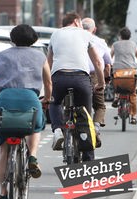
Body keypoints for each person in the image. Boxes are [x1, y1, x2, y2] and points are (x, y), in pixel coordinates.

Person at [0, 24, 52, 199]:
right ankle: (33, 156)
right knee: (36, 126)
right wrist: (47, 100)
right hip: (30, 99)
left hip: (5, 98)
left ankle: (3, 192)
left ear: (13, 38)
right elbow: (48, 82)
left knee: (4, 148)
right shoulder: (40, 56)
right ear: (33, 39)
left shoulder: (2, 55)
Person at [48, 12, 104, 161]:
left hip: (59, 77)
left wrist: (47, 86)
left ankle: (58, 130)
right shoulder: (86, 35)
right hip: (81, 78)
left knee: (53, 103)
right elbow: (97, 62)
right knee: (86, 116)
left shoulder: (55, 34)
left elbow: (49, 63)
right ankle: (88, 159)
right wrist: (101, 83)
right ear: (76, 21)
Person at [82, 17, 112, 147]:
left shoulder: (76, 40)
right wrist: (105, 79)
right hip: (94, 75)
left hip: (76, 74)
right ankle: (95, 128)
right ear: (94, 29)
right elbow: (107, 63)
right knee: (99, 105)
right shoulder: (100, 42)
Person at [110, 27, 137, 124]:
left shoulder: (115, 44)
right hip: (130, 71)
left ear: (120, 36)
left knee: (116, 84)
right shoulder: (133, 44)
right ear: (130, 36)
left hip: (118, 71)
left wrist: (110, 64)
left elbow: (110, 56)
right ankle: (133, 117)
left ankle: (116, 97)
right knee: (132, 93)